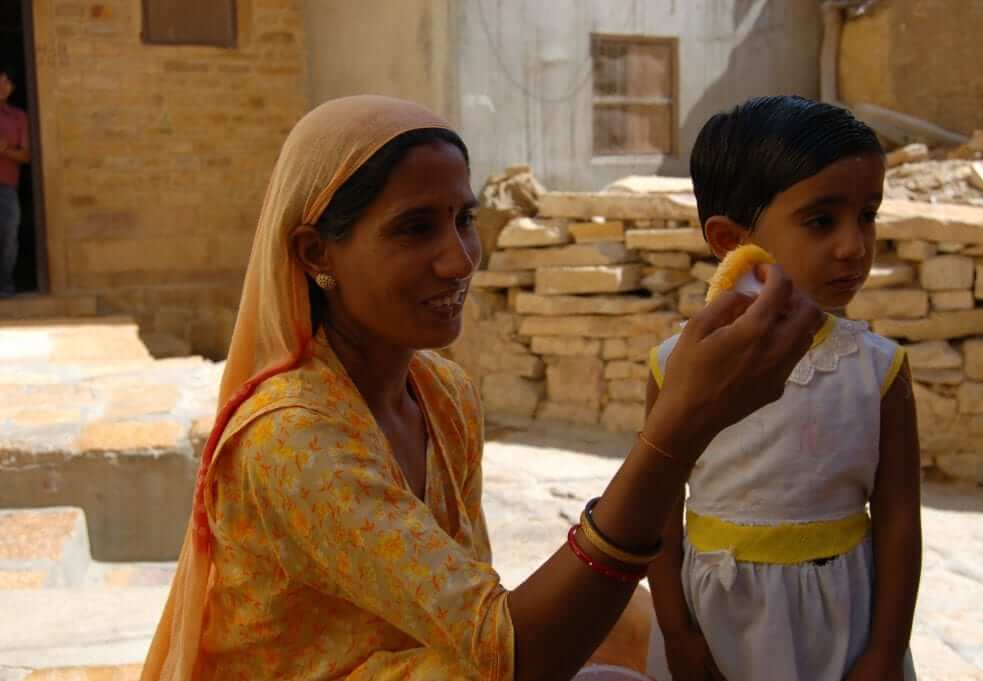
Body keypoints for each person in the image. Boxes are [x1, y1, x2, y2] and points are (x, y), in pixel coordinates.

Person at [141, 95, 821, 681]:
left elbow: (474, 620)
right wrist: (678, 430)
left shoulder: (442, 393)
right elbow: (512, 655)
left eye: (463, 219)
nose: (460, 259)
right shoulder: (292, 435)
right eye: (415, 228)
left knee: (634, 626)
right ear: (317, 252)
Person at [645, 96, 922, 681]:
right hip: (717, 620)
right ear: (730, 239)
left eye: (867, 215)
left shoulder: (878, 371)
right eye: (822, 221)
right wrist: (676, 632)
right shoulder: (679, 366)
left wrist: (883, 651)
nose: (854, 245)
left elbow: (899, 520)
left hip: (840, 624)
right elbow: (659, 510)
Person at [0, 64, 30, 298]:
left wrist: (4, 149)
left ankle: (5, 285)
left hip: (7, 187)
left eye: (7, 82)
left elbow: (26, 156)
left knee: (8, 236)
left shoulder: (19, 117)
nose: (2, 86)